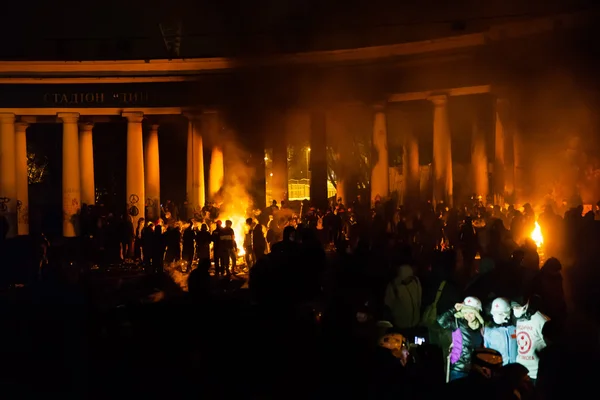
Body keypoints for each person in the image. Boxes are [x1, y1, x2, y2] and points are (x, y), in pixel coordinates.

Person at [438, 296, 484, 381]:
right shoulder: (457, 324)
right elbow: (441, 321)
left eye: (471, 312)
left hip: (475, 370)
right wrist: (454, 309)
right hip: (459, 369)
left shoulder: (480, 328)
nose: (468, 315)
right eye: (465, 312)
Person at [513, 297, 549, 384]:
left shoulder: (541, 320)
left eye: (518, 307)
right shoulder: (518, 319)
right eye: (514, 307)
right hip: (521, 372)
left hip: (536, 374)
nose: (515, 309)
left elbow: (550, 345)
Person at [484, 297, 518, 365]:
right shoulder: (488, 330)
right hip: (498, 367)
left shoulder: (515, 328)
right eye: (495, 313)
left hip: (515, 367)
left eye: (500, 314)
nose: (497, 316)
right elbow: (487, 350)